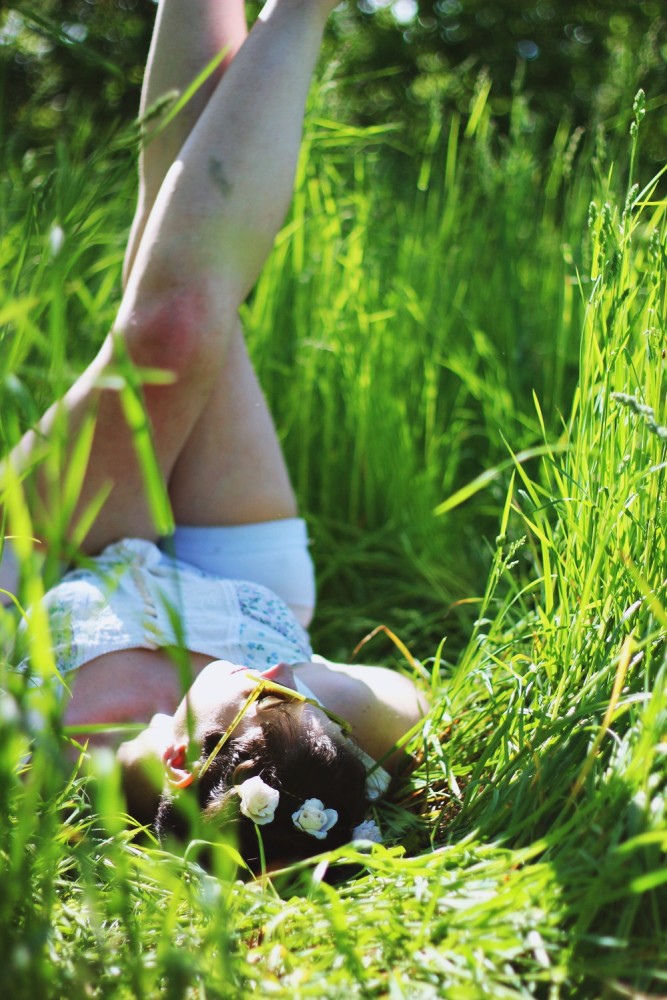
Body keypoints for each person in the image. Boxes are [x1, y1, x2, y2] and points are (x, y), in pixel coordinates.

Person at [1, 0, 428, 872]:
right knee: (186, 311)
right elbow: (406, 702)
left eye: (256, 700)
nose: (271, 693)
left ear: (178, 758)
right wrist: (310, 696)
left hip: (52, 552)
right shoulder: (288, 714)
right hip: (242, 578)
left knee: (169, 319)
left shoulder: (33, 756)